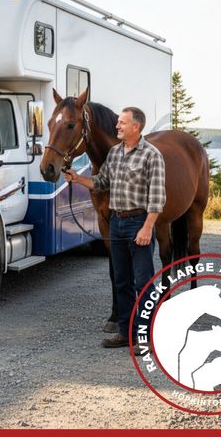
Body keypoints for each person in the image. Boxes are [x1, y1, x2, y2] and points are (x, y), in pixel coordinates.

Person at [64, 106, 165, 351]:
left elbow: (158, 197)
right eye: (117, 122)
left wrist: (147, 227)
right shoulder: (115, 153)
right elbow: (101, 182)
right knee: (122, 281)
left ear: (135, 127)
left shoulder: (152, 155)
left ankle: (145, 337)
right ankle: (125, 333)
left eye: (121, 123)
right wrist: (78, 179)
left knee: (143, 282)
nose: (116, 126)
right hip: (117, 223)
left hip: (138, 223)